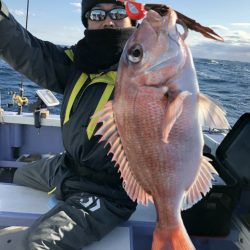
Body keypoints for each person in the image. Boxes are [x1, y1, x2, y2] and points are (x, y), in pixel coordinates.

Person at [0, 0, 137, 249]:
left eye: (118, 12)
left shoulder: (144, 72)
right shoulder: (77, 62)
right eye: (97, 14)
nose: (108, 21)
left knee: (37, 244)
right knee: (16, 175)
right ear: (87, 21)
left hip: (108, 191)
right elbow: (30, 52)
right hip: (67, 167)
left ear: (133, 19)